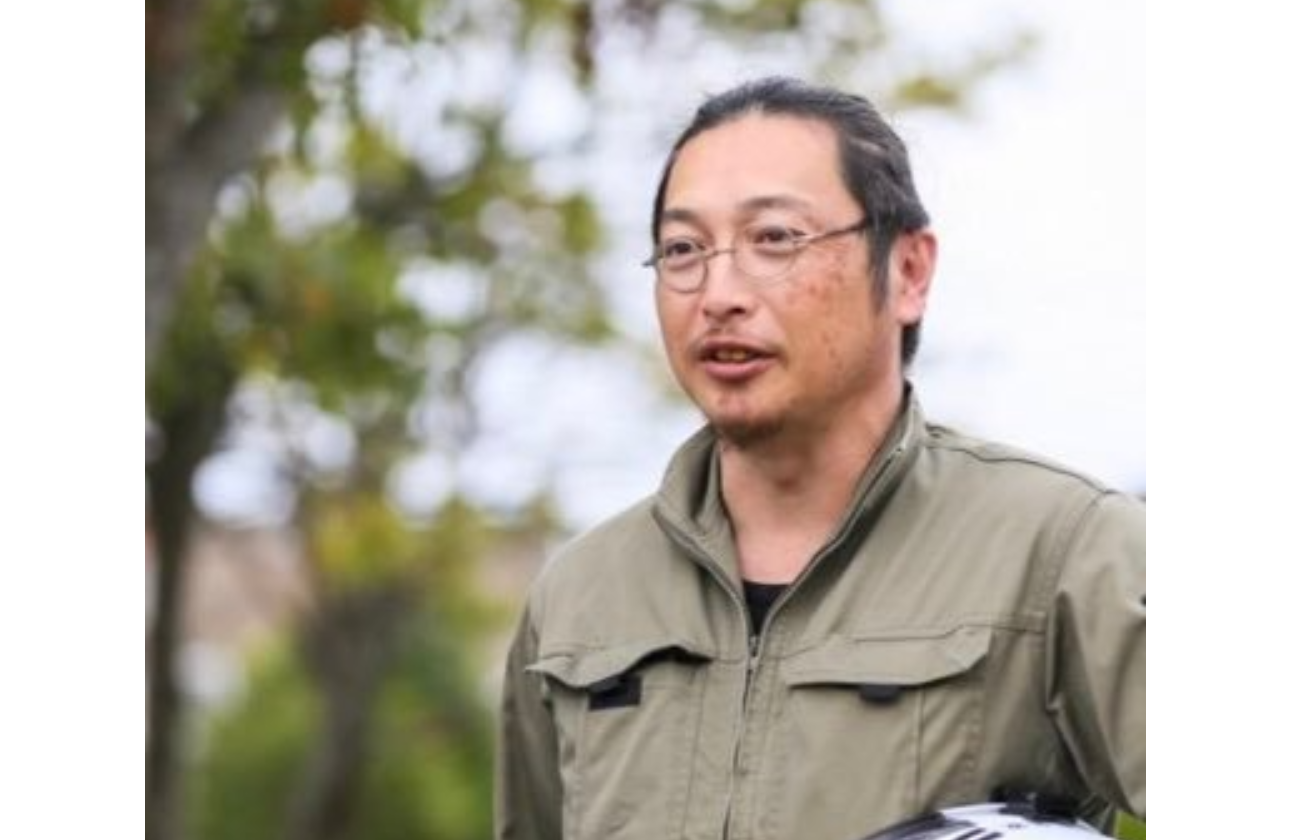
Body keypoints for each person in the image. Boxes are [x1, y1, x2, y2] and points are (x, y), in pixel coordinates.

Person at [495, 77, 1145, 840]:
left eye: (775, 238)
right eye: (683, 249)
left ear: (908, 271)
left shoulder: (1069, 550)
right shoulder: (577, 597)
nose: (719, 293)